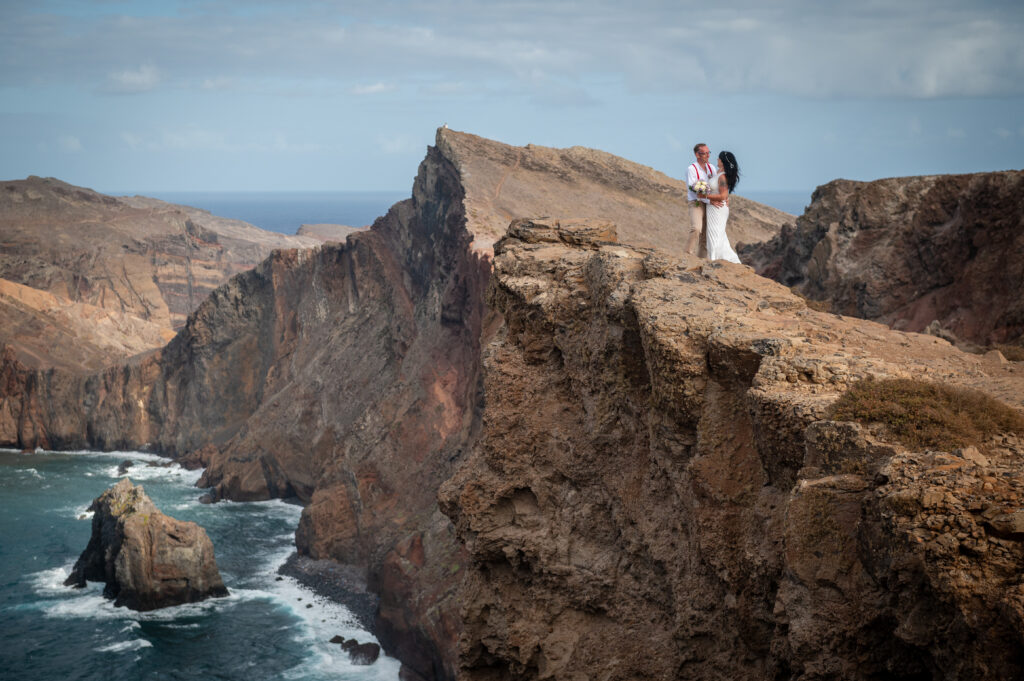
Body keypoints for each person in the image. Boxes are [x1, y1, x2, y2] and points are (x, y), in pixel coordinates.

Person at [701, 151, 742, 263]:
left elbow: (723, 196)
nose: (717, 160)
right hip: (713, 208)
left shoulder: (723, 177)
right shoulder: (719, 172)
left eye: (719, 159)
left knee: (715, 234)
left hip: (718, 209)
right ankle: (730, 261)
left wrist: (705, 196)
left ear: (723, 161)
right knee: (718, 235)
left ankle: (715, 260)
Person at [685, 143, 716, 257]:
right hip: (696, 203)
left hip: (709, 204)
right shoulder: (691, 169)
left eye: (708, 153)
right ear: (697, 154)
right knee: (697, 228)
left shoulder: (711, 168)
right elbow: (693, 187)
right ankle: (687, 255)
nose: (707, 155)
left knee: (706, 234)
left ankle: (701, 260)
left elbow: (715, 185)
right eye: (704, 153)